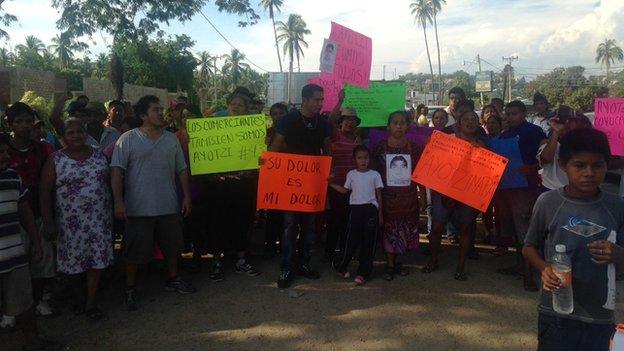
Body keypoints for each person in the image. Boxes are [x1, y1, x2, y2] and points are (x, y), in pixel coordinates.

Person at [523, 128, 624, 351]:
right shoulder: (547, 202)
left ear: (607, 165)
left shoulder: (616, 207)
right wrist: (544, 268)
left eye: (598, 165)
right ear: (563, 165)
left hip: (600, 316)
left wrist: (618, 255)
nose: (589, 173)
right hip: (556, 313)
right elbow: (529, 247)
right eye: (579, 165)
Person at [111, 95, 195, 311]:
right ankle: (130, 288)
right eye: (156, 110)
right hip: (138, 208)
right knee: (134, 251)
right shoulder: (127, 139)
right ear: (143, 115)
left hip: (169, 206)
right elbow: (116, 173)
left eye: (161, 109)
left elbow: (182, 169)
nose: (161, 113)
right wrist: (119, 202)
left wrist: (186, 196)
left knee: (173, 246)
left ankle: (173, 278)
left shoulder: (171, 139)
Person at [39, 118, 113, 321]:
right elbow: (45, 193)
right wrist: (48, 221)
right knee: (72, 264)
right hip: (69, 224)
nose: (76, 136)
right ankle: (78, 297)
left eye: (79, 132)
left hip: (99, 220)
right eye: (70, 133)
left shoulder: (99, 156)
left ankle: (90, 302)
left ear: (85, 133)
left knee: (96, 262)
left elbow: (110, 183)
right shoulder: (56, 159)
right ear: (64, 136)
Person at [0, 133, 62, 350]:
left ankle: (33, 342)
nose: (6, 155)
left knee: (24, 303)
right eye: (1, 152)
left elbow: (25, 212)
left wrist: (35, 242)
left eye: (6, 151)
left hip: (14, 256)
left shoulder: (12, 177)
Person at [269, 84, 332, 289]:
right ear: (305, 100)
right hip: (291, 182)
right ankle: (287, 267)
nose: (321, 103)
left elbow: (327, 148)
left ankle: (304, 264)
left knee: (309, 227)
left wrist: (327, 169)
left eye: (322, 100)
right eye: (317, 100)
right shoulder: (290, 120)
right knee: (289, 226)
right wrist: (270, 168)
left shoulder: (322, 123)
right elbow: (276, 147)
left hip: (312, 183)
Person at [4, 102, 57, 317]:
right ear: (10, 124)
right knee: (12, 266)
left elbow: (49, 183)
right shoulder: (4, 148)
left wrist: (49, 216)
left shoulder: (43, 149)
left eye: (28, 121)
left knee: (42, 260)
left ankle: (37, 301)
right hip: (9, 218)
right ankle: (10, 311)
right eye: (19, 121)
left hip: (38, 211)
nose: (25, 126)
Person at [205, 92, 260, 281]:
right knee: (219, 221)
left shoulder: (253, 129)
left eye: (241, 105)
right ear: (227, 106)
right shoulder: (214, 128)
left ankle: (241, 260)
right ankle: (217, 261)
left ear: (246, 110)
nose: (236, 107)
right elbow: (206, 151)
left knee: (242, 220)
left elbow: (258, 155)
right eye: (233, 104)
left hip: (243, 183)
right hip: (220, 184)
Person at [423, 111, 483, 280]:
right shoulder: (445, 139)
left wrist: (480, 155)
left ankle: (461, 265)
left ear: (478, 124)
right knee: (436, 228)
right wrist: (431, 145)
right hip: (443, 191)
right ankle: (433, 260)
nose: (470, 123)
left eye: (474, 120)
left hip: (467, 194)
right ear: (459, 122)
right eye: (466, 119)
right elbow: (430, 156)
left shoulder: (482, 146)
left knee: (465, 228)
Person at [497, 100, 547, 291]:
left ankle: (528, 275)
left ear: (523, 113)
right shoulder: (503, 136)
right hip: (506, 188)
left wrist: (534, 168)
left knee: (525, 231)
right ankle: (519, 265)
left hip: (525, 188)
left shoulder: (534, 131)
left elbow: (546, 158)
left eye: (514, 113)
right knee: (513, 230)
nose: (510, 117)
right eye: (507, 114)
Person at [372, 111, 425, 281]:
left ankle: (397, 262)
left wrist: (422, 195)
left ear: (407, 126)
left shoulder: (414, 148)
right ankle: (389, 265)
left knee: (405, 230)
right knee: (389, 230)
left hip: (408, 198)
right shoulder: (380, 147)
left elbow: (419, 173)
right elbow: (372, 173)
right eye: (395, 122)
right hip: (387, 198)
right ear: (389, 126)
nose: (399, 126)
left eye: (402, 122)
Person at [329, 145, 383, 285]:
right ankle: (340, 265)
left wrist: (380, 214)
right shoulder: (351, 174)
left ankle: (363, 273)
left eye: (365, 157)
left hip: (371, 211)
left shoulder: (375, 175)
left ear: (369, 159)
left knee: (368, 242)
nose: (363, 161)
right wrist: (331, 184)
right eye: (359, 158)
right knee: (350, 240)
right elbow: (344, 191)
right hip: (355, 211)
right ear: (355, 160)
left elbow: (379, 195)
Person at [325, 107, 362, 261]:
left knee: (349, 221)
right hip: (335, 186)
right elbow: (329, 121)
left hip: (353, 188)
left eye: (352, 119)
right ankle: (329, 253)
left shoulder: (358, 140)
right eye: (346, 119)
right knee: (334, 221)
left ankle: (346, 251)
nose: (349, 122)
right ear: (340, 121)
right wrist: (339, 101)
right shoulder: (335, 136)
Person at [537, 107, 592, 191]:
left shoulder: (586, 146)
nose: (568, 131)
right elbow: (545, 159)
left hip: (578, 190)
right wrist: (556, 132)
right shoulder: (548, 143)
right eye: (566, 128)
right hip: (552, 190)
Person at [264, 103, 289, 258]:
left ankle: (285, 244)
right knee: (272, 214)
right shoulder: (267, 133)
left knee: (288, 215)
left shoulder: (294, 132)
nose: (278, 116)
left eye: (281, 113)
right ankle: (270, 246)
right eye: (275, 113)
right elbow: (261, 154)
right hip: (272, 179)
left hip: (289, 178)